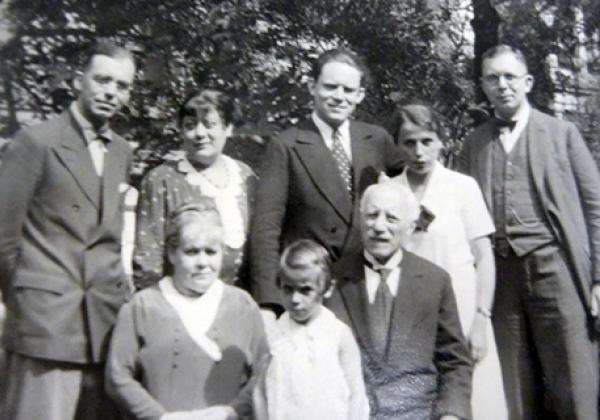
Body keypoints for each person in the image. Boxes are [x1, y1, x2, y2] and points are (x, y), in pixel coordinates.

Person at [458, 44, 600, 419]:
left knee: (573, 381)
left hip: (556, 271)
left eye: (509, 77)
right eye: (492, 78)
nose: (502, 85)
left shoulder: (562, 134)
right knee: (515, 389)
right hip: (501, 280)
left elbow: (595, 207)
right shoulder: (473, 145)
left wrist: (599, 278)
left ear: (528, 82)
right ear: (483, 86)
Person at [0, 40, 136, 420]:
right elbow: (3, 239)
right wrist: (32, 298)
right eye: (102, 79)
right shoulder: (36, 142)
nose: (111, 91)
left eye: (122, 85)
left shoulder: (122, 151)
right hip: (46, 326)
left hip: (103, 327)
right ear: (80, 80)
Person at [249, 47, 404, 316]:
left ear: (360, 95)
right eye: (330, 87)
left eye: (347, 90)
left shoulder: (377, 139)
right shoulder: (286, 145)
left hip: (365, 283)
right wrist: (269, 301)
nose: (338, 97)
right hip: (309, 288)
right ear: (312, 86)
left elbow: (416, 187)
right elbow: (266, 229)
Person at [389, 102, 507, 419]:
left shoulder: (462, 187)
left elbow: (484, 258)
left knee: (476, 398)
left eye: (427, 141)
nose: (419, 151)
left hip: (463, 310)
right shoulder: (388, 190)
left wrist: (481, 319)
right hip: (410, 314)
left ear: (441, 141)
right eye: (409, 142)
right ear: (397, 145)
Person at [106, 201, 268, 420]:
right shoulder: (142, 306)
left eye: (211, 252)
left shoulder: (242, 306)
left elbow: (265, 371)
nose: (203, 262)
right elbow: (117, 376)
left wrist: (233, 411)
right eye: (192, 252)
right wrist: (160, 417)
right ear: (172, 253)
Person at [326, 182, 472, 419]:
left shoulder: (435, 281)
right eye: (372, 215)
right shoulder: (332, 281)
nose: (379, 227)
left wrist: (451, 414)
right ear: (360, 219)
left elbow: (454, 362)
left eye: (391, 218)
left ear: (410, 226)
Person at [134, 89, 257, 288]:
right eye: (190, 126)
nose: (200, 133)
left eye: (209, 124)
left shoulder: (246, 176)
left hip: (237, 303)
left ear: (228, 128)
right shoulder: (161, 180)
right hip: (179, 304)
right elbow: (148, 258)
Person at [253, 239, 369, 420]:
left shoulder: (338, 335)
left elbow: (357, 395)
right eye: (288, 289)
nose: (295, 299)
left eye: (305, 290)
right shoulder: (273, 335)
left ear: (327, 288)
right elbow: (259, 392)